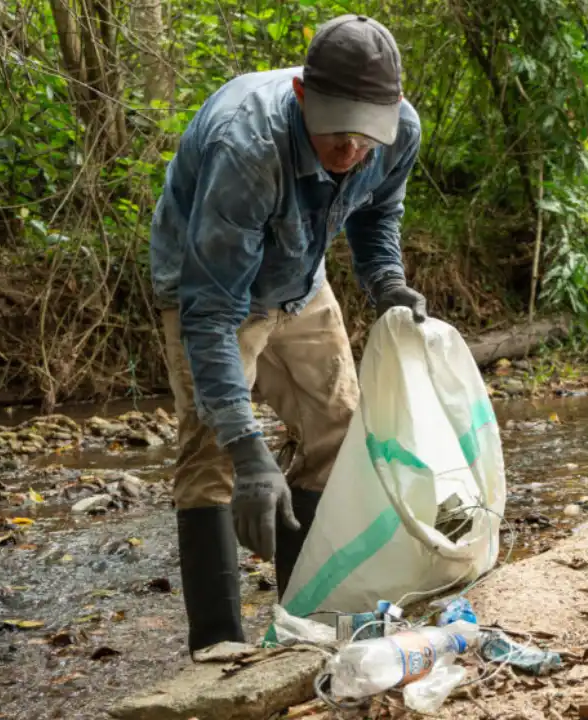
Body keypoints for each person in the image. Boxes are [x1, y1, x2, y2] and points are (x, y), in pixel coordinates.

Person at [148, 14, 427, 654]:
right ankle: (217, 642)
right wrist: (250, 452)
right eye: (339, 134)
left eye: (368, 135)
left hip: (300, 278)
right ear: (304, 97)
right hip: (208, 287)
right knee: (213, 452)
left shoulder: (397, 129)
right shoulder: (246, 148)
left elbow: (379, 212)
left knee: (341, 426)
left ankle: (302, 615)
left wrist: (385, 280)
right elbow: (211, 312)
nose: (353, 149)